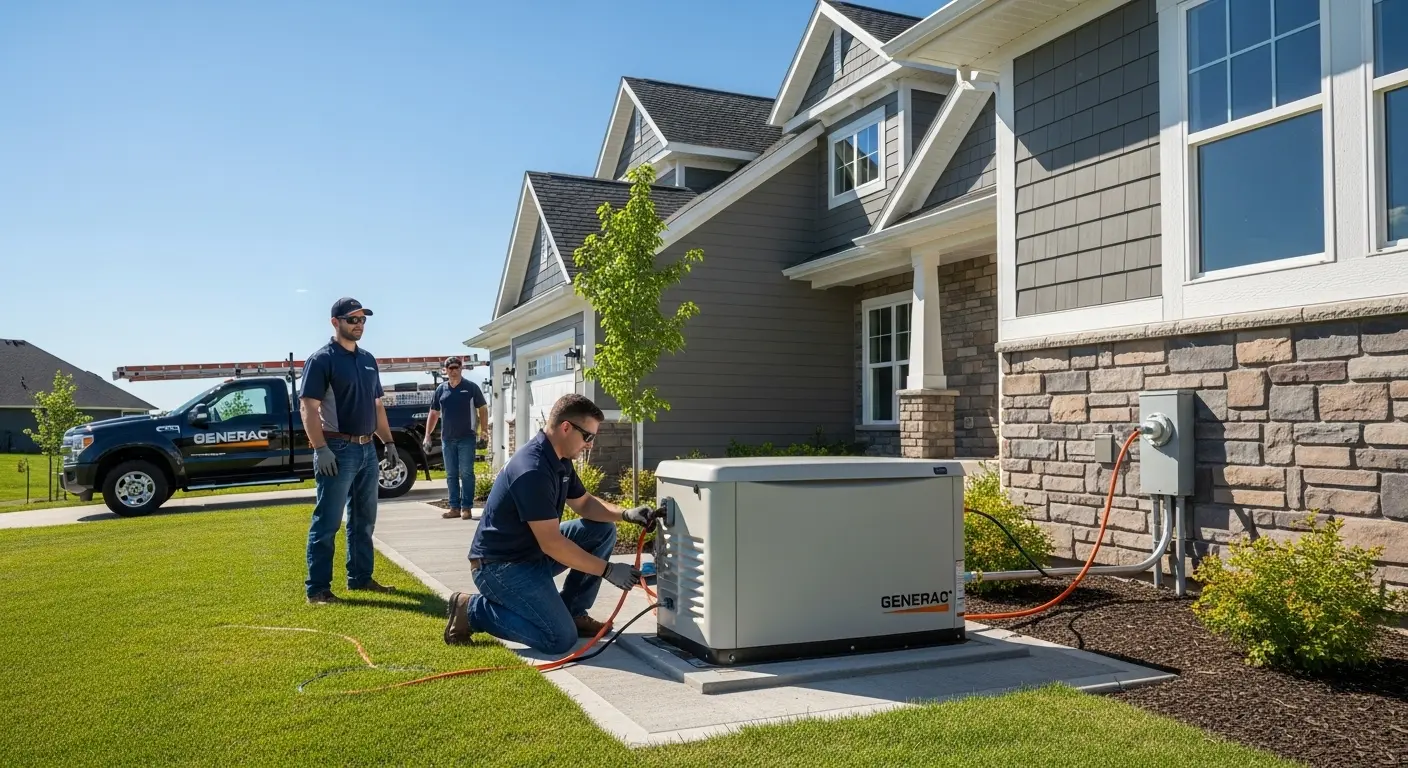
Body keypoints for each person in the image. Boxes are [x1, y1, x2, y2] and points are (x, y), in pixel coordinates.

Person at [442, 394, 663, 655]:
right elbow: (552, 544)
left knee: (600, 530)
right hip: (499, 567)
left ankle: (573, 611)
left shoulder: (559, 459)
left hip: (530, 554)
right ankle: (472, 610)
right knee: (558, 639)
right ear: (566, 427)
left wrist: (626, 514)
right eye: (588, 437)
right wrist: (608, 570)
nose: (590, 445)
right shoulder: (532, 470)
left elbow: (583, 504)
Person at [299, 296, 404, 604]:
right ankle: (317, 589)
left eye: (362, 320)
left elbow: (377, 406)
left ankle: (360, 579)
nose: (359, 325)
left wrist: (389, 443)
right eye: (352, 319)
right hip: (337, 450)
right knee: (327, 521)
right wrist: (321, 448)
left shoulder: (368, 359)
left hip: (367, 449)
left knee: (363, 519)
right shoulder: (322, 360)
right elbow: (308, 407)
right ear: (336, 323)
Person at [422, 356, 487, 521]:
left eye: (456, 367)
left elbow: (483, 409)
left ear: (461, 368)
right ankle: (454, 508)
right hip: (447, 438)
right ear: (445, 370)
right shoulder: (441, 390)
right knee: (451, 474)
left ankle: (466, 508)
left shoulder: (471, 388)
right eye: (450, 368)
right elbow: (434, 413)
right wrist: (427, 435)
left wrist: (484, 430)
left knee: (466, 473)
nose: (453, 370)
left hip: (467, 437)